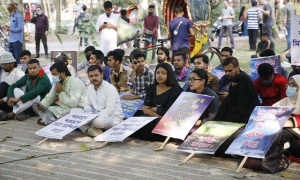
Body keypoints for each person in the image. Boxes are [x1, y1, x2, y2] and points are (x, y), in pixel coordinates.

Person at [132, 63, 182, 141]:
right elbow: (146, 109)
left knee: (157, 123)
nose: (160, 75)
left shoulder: (176, 90)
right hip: (155, 118)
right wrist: (157, 115)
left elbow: (170, 111)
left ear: (169, 75)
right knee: (137, 118)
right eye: (158, 73)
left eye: (163, 73)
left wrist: (155, 109)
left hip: (168, 120)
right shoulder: (151, 88)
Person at [213, 74, 260, 157]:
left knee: (236, 135)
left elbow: (251, 122)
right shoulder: (229, 98)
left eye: (235, 84)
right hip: (226, 126)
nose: (233, 87)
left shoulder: (252, 100)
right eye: (231, 84)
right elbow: (220, 115)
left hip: (242, 129)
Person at [36, 61, 87, 126]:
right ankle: (53, 125)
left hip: (77, 109)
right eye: (52, 75)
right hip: (63, 110)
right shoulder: (57, 84)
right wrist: (42, 105)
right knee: (43, 110)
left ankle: (55, 123)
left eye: (55, 74)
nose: (53, 77)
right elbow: (49, 98)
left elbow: (73, 104)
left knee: (72, 113)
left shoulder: (75, 82)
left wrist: (61, 92)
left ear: (63, 73)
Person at [80, 65, 123, 137]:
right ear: (88, 77)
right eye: (91, 76)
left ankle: (90, 130)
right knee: (77, 116)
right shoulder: (90, 88)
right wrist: (88, 115)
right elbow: (87, 104)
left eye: (96, 75)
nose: (94, 78)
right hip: (95, 116)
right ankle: (93, 131)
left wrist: (92, 119)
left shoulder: (110, 88)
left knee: (98, 122)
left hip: (112, 118)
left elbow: (110, 109)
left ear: (101, 75)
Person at [271, 75, 300, 163]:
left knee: (285, 132)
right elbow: (272, 110)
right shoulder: (286, 100)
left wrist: (284, 122)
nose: (290, 87)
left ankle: (271, 159)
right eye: (289, 85)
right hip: (291, 134)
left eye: (293, 85)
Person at [95, 1, 118, 66]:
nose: (107, 11)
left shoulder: (116, 17)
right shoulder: (100, 17)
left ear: (111, 8)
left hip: (113, 42)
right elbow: (97, 29)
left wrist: (112, 26)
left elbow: (120, 29)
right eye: (106, 10)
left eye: (109, 10)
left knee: (113, 57)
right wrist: (102, 26)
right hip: (104, 43)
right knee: (105, 59)